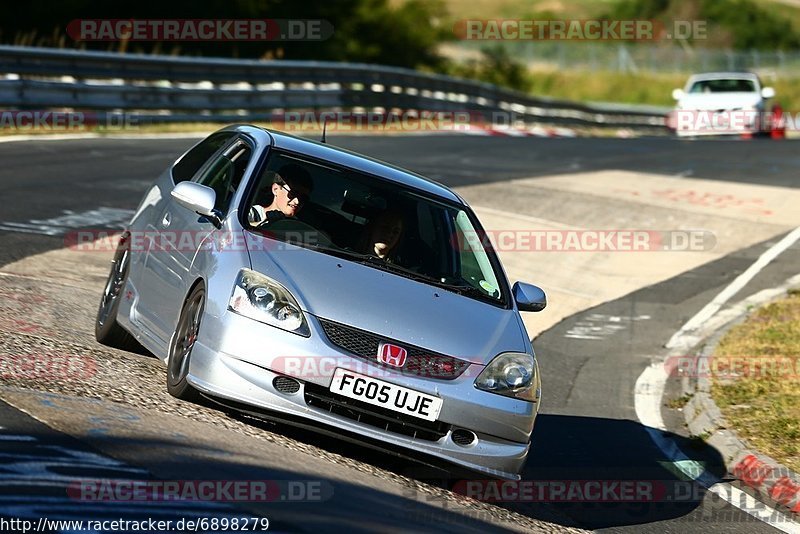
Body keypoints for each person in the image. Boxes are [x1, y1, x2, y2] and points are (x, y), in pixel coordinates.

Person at [248, 164, 313, 226]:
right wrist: (265, 225)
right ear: (275, 189)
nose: (297, 201)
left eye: (303, 198)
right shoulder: (250, 213)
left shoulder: (299, 227)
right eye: (293, 193)